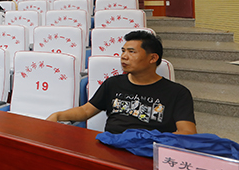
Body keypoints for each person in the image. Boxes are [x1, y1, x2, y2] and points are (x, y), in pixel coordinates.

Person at [46, 31, 197, 135]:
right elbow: (85, 111)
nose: (123, 56)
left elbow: (188, 132)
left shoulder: (177, 93)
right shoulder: (113, 84)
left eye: (131, 52)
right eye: (123, 51)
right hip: (112, 146)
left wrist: (151, 141)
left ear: (153, 58)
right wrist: (58, 115)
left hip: (148, 151)